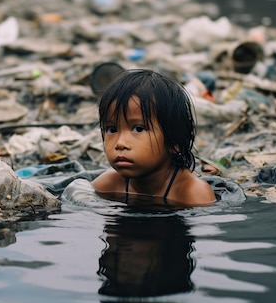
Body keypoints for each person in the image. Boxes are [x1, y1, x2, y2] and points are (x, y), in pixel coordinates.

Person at [91, 69, 216, 207]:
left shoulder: (192, 193)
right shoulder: (110, 184)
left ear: (174, 141)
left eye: (138, 129)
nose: (120, 143)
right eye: (112, 129)